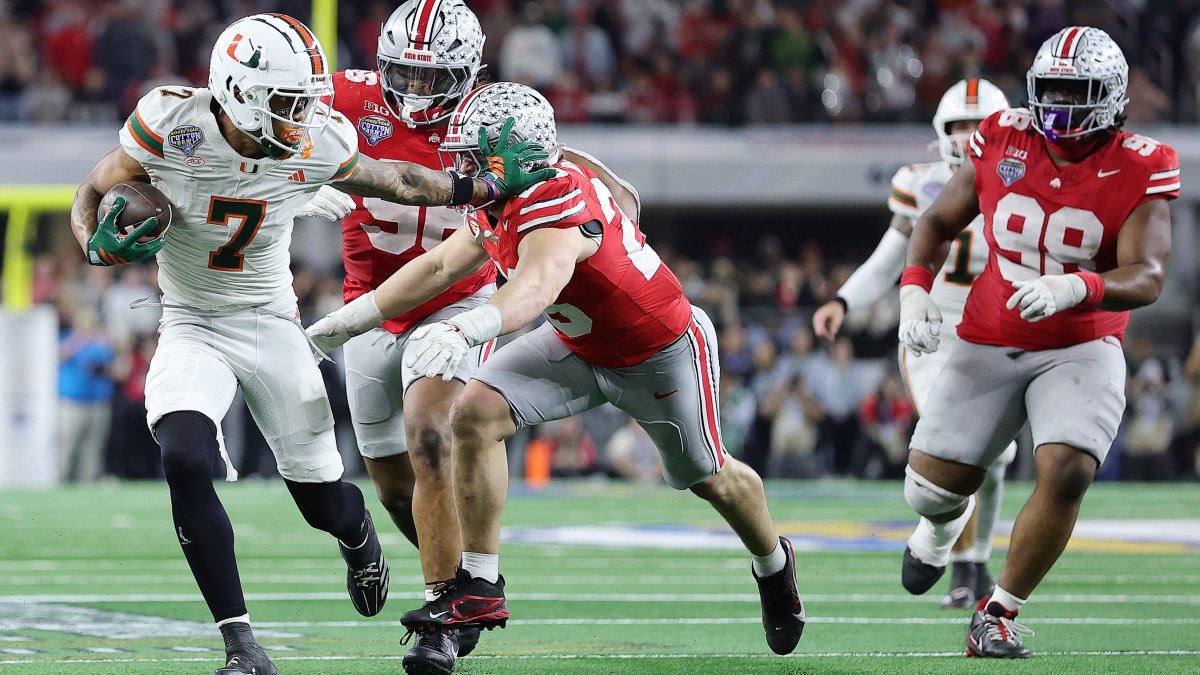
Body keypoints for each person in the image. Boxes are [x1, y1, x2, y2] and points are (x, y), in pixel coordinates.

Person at [67, 14, 550, 675]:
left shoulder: (316, 140)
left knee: (326, 501)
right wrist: (91, 240)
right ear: (237, 92)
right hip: (189, 320)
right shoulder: (169, 122)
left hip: (270, 320)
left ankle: (359, 540)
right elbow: (92, 187)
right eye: (288, 103)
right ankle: (242, 645)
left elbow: (397, 181)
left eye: (306, 102)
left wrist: (477, 189)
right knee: (182, 453)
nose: (302, 117)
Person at [307, 81, 805, 657]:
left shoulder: (556, 203)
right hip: (576, 342)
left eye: (474, 154)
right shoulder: (505, 196)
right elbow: (441, 265)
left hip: (657, 353)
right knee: (473, 414)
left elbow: (535, 288)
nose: (461, 167)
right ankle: (480, 583)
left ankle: (773, 562)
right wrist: (350, 321)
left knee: (708, 477)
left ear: (513, 156)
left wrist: (466, 327)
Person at [895, 27, 1177, 658]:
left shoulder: (1142, 163)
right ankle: (939, 535)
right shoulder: (1003, 137)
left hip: (1082, 338)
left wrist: (1078, 288)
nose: (1057, 107)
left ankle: (997, 612)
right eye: (1049, 90)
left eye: (1074, 93)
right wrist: (914, 287)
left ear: (1109, 97)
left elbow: (1149, 273)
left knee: (1069, 467)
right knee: (929, 489)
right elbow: (938, 219)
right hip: (992, 331)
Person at [295, 1, 493, 671]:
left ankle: (441, 616)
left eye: (429, 78)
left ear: (467, 74)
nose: (411, 92)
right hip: (370, 304)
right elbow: (258, 142)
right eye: (402, 74)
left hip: (456, 301)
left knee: (430, 436)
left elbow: (562, 161)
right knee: (389, 485)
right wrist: (294, 189)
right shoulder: (346, 97)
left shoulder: (490, 117)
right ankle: (468, 578)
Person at [812, 79, 1012, 608]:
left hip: (999, 331)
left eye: (979, 124)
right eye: (959, 126)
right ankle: (945, 549)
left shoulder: (1025, 181)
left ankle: (974, 563)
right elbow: (888, 257)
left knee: (997, 458)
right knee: (956, 445)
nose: (970, 135)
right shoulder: (921, 184)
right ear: (940, 133)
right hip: (934, 330)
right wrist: (844, 301)